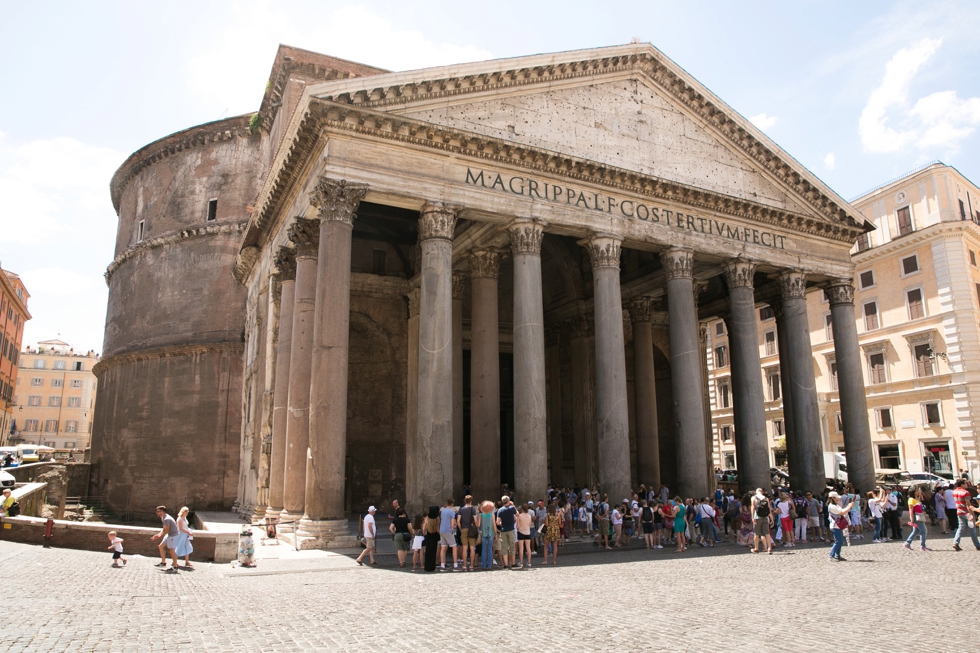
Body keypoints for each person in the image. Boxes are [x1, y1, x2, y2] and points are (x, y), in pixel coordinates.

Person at [150, 506, 181, 573]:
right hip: (169, 535)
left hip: (173, 535)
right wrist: (158, 534)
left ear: (162, 511)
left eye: (158, 511)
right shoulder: (163, 518)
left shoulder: (166, 519)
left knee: (172, 550)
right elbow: (164, 529)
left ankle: (175, 566)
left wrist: (159, 536)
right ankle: (163, 563)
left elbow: (167, 529)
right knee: (161, 546)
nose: (157, 513)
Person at [952, 479, 980, 551]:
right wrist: (971, 514)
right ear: (962, 485)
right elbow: (968, 504)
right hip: (967, 513)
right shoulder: (966, 492)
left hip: (959, 512)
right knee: (972, 529)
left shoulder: (954, 491)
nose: (966, 485)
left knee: (960, 528)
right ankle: (977, 545)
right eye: (965, 484)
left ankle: (956, 542)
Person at [827, 491, 853, 562]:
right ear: (833, 498)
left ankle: (837, 555)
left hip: (837, 526)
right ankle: (831, 556)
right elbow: (842, 512)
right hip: (835, 526)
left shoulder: (835, 505)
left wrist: (848, 506)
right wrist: (849, 507)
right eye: (836, 498)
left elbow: (842, 510)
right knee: (838, 541)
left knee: (840, 541)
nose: (837, 499)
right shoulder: (832, 506)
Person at [457, 495, 479, 571]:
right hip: (471, 529)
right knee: (472, 548)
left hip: (463, 528)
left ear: (464, 501)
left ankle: (464, 566)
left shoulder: (461, 509)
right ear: (471, 501)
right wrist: (477, 526)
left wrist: (460, 529)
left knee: (464, 548)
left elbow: (458, 521)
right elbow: (475, 520)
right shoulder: (473, 509)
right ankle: (471, 566)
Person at [496, 496, 518, 569]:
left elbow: (497, 522)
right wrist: (513, 505)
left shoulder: (500, 510)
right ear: (508, 501)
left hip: (503, 530)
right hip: (511, 529)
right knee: (512, 546)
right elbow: (517, 514)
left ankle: (505, 564)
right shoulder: (511, 508)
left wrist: (502, 523)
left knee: (504, 547)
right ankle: (513, 563)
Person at [750, 488, 772, 554]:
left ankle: (756, 548)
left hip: (757, 517)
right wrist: (772, 518)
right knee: (767, 533)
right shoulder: (766, 498)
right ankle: (769, 548)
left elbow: (753, 507)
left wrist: (752, 517)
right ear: (762, 492)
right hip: (765, 517)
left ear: (756, 492)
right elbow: (769, 509)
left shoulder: (753, 498)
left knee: (756, 533)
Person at [478, 500, 497, 570]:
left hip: (483, 533)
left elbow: (478, 525)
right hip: (491, 533)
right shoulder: (492, 514)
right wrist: (496, 533)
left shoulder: (480, 515)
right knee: (490, 549)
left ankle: (483, 565)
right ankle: (489, 565)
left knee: (483, 549)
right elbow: (494, 525)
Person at [423, 506, 441, 572]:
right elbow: (437, 528)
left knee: (428, 551)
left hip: (429, 534)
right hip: (434, 535)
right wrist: (440, 534)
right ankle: (432, 567)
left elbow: (424, 526)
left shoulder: (427, 518)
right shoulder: (437, 518)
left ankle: (427, 566)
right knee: (433, 551)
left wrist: (424, 532)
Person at [516, 503, 534, 568]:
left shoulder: (519, 516)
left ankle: (521, 562)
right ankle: (529, 562)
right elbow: (529, 524)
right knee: (528, 548)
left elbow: (517, 526)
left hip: (521, 532)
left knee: (521, 548)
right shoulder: (529, 516)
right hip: (527, 532)